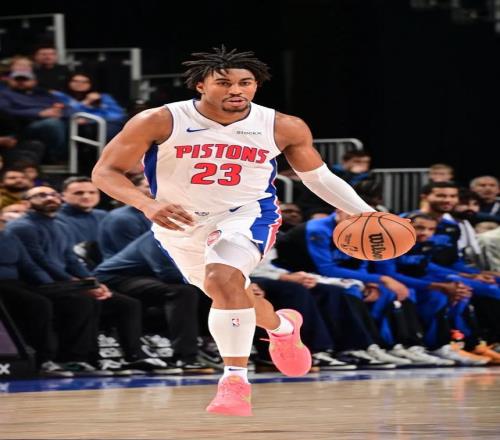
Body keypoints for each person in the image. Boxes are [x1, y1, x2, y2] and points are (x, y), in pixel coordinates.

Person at [92, 46, 375, 417]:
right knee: (229, 293)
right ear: (200, 85)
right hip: (180, 222)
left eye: (246, 82)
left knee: (222, 277)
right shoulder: (160, 120)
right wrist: (147, 204)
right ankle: (282, 327)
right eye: (224, 83)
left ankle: (235, 382)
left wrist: (366, 213)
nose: (236, 90)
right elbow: (105, 172)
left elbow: (318, 178)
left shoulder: (282, 125)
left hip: (247, 214)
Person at [52, 73, 126, 140]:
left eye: (84, 82)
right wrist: (86, 102)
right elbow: (66, 113)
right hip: (71, 128)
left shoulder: (103, 97)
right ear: (69, 82)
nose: (79, 84)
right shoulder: (61, 96)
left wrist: (90, 120)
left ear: (90, 84)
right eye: (75, 81)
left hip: (102, 126)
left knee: (110, 130)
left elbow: (117, 115)